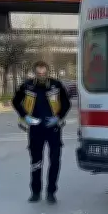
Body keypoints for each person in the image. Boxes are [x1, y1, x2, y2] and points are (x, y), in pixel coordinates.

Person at [11, 61, 72, 204]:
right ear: (34, 73)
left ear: (48, 72)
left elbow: (66, 103)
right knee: (36, 162)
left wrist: (58, 117)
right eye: (39, 74)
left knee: (55, 161)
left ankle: (51, 192)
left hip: (53, 129)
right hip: (36, 129)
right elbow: (15, 101)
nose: (42, 76)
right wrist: (25, 116)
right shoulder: (27, 86)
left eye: (44, 73)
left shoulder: (56, 85)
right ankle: (36, 192)